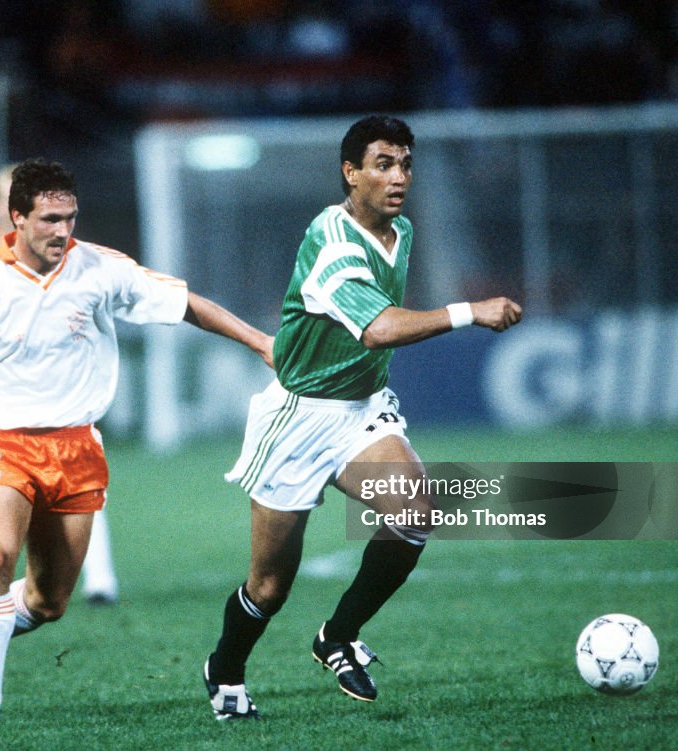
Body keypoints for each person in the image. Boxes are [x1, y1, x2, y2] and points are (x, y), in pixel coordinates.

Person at [0, 158, 273, 726]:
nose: (63, 230)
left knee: (48, 600)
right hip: (2, 442)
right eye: (50, 218)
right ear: (16, 218)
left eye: (70, 218)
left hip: (77, 447)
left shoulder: (101, 270)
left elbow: (185, 305)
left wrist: (260, 343)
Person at [202, 115, 522, 720]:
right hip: (296, 421)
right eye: (382, 164)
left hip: (360, 412)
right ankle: (225, 668)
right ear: (350, 173)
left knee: (416, 512)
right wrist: (469, 310)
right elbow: (378, 329)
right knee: (269, 588)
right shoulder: (333, 242)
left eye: (404, 164)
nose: (398, 176)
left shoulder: (400, 230)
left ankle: (337, 635)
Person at [0, 163, 120, 609]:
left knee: (79, 489)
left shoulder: (73, 259)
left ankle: (100, 578)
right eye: (2, 197)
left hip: (56, 402)